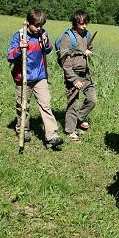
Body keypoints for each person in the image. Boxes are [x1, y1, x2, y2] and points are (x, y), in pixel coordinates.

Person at [7, 8, 63, 150]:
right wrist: (20, 48)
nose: (39, 28)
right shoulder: (20, 36)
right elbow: (10, 56)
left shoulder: (42, 34)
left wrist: (46, 43)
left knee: (45, 104)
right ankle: (23, 130)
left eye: (41, 26)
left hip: (40, 76)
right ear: (28, 23)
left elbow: (48, 50)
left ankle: (51, 136)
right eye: (36, 25)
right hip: (23, 77)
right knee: (23, 106)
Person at [59, 10, 97, 142]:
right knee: (73, 103)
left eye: (86, 23)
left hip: (86, 74)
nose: (85, 26)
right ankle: (70, 131)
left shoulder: (87, 35)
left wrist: (89, 51)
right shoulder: (67, 38)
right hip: (73, 75)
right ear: (75, 22)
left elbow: (91, 48)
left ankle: (78, 119)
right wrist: (73, 79)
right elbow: (65, 62)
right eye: (82, 23)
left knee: (92, 100)